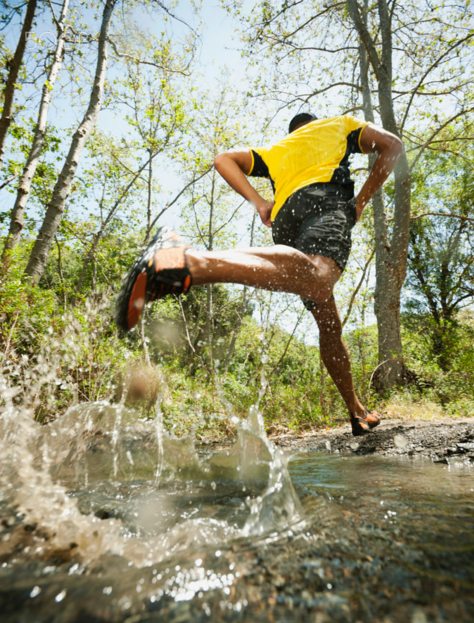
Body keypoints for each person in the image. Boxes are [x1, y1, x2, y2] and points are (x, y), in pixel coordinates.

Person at [115, 112, 403, 436]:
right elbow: (391, 145)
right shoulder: (338, 125)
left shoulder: (277, 149)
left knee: (327, 318)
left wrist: (259, 202)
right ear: (313, 123)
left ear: (292, 131)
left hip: (285, 221)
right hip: (326, 203)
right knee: (320, 278)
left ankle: (356, 410)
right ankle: (183, 261)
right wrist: (361, 202)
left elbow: (223, 159)